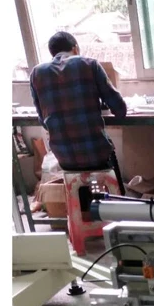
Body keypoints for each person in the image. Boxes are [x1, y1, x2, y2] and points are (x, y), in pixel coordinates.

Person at [29, 31, 127, 192]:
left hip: (64, 157)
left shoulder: (36, 73)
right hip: (96, 154)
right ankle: (115, 200)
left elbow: (43, 121)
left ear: (52, 52)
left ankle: (82, 205)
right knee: (110, 177)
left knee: (80, 190)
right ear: (75, 48)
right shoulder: (90, 64)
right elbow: (120, 109)